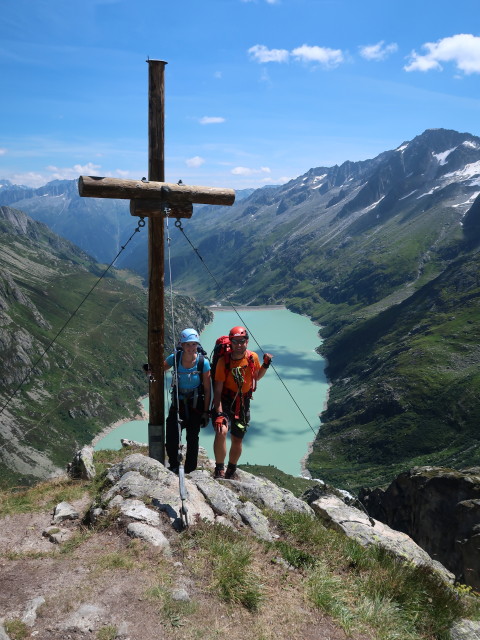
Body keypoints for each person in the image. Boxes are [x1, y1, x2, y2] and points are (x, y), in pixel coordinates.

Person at [212, 326, 273, 479]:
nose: (239, 344)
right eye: (235, 342)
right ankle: (219, 469)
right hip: (225, 400)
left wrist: (265, 365)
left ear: (247, 341)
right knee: (221, 431)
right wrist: (219, 413)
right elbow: (217, 390)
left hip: (243, 401)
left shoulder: (252, 357)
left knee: (237, 438)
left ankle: (231, 470)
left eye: (242, 341)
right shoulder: (223, 361)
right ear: (231, 343)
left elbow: (256, 377)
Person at [164, 328, 211, 474]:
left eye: (194, 344)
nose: (191, 348)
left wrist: (206, 412)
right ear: (182, 345)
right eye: (187, 344)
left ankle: (190, 469)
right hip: (178, 404)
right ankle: (173, 464)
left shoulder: (203, 363)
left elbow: (208, 389)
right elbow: (161, 368)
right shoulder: (175, 358)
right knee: (172, 435)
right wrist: (150, 370)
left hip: (195, 405)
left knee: (192, 438)